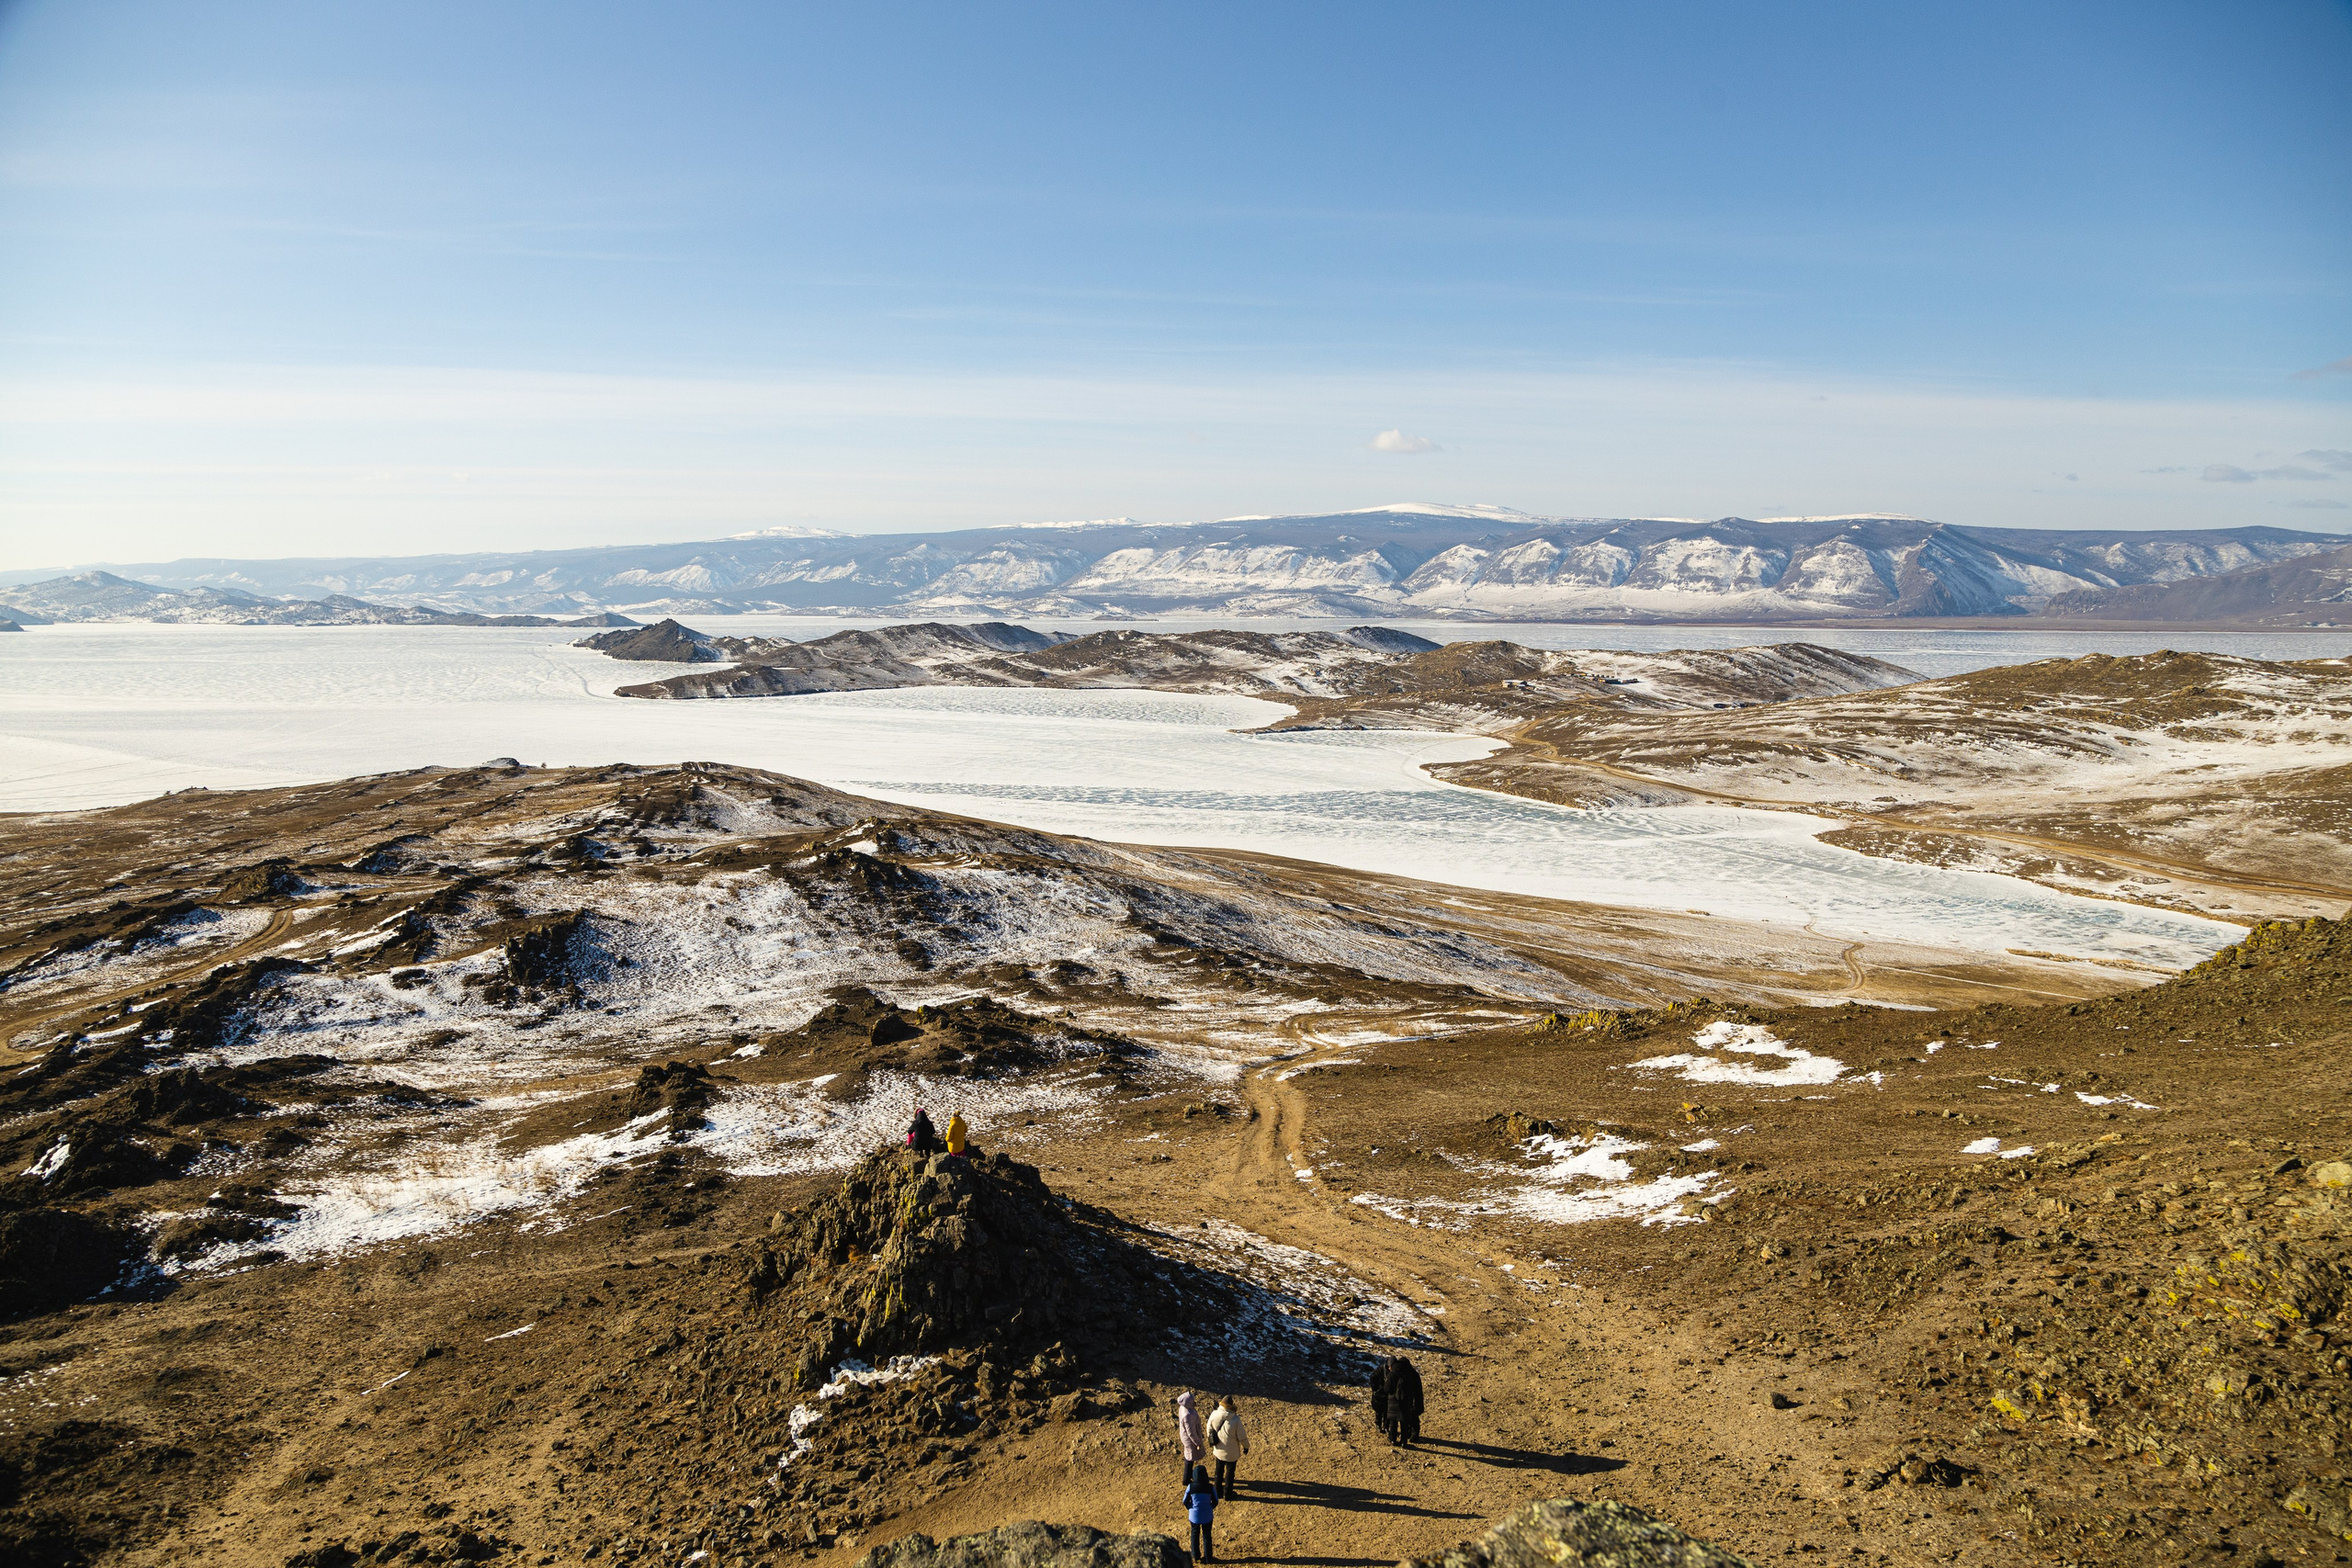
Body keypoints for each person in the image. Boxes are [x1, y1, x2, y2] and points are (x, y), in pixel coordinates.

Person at [1206, 1395, 1248, 1499]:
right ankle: (1228, 1494)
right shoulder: (1236, 1419)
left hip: (1219, 1449)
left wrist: (1213, 1441)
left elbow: (1209, 1430)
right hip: (1232, 1452)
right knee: (1230, 1472)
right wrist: (1246, 1447)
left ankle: (1217, 1492)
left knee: (1218, 1470)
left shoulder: (1214, 1414)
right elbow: (1242, 1436)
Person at [1182, 1461, 1219, 1562]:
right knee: (1207, 1536)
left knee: (1195, 1534)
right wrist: (1210, 1507)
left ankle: (1195, 1555)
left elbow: (1185, 1501)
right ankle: (1208, 1557)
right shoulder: (1210, 1487)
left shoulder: (1191, 1487)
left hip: (1194, 1516)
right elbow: (1216, 1501)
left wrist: (1190, 1507)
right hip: (1207, 1516)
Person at [1174, 1390, 1206, 1484]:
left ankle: (1188, 1476)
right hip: (1190, 1440)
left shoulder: (1183, 1408)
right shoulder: (1188, 1415)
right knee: (1190, 1458)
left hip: (1185, 1437)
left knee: (1188, 1456)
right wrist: (1198, 1442)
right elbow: (1191, 1432)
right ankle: (1186, 1479)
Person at [1392, 1356, 1424, 1447]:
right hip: (1413, 1399)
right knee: (1414, 1418)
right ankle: (1413, 1434)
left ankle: (1412, 1434)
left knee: (1410, 1418)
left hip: (1409, 1400)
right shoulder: (1413, 1373)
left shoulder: (1405, 1374)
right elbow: (1418, 1390)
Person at [1368, 1359, 1395, 1442]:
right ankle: (1378, 1424)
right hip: (1379, 1394)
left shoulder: (1392, 1372)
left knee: (1387, 1411)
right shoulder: (1380, 1370)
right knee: (1379, 1410)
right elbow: (1372, 1378)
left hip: (1387, 1394)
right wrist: (1375, 1389)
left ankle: (1386, 1426)